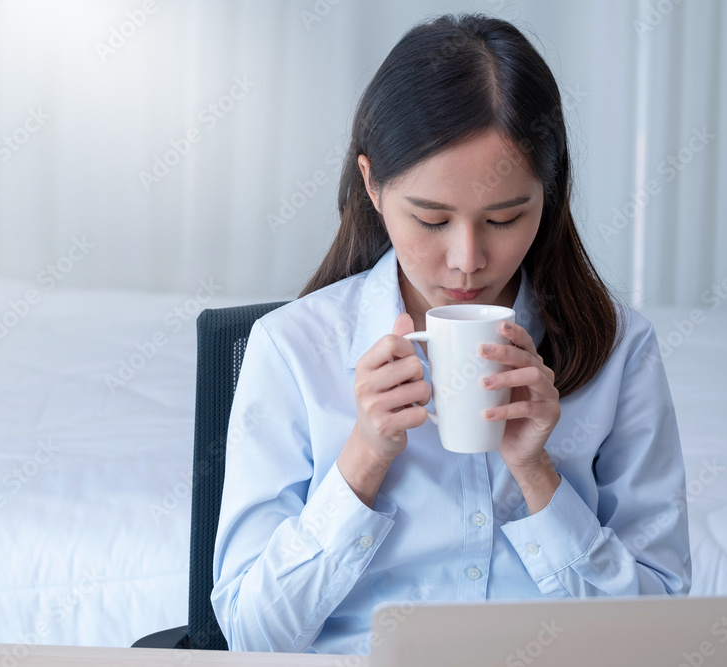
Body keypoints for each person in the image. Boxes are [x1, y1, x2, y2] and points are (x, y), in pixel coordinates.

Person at [210, 12, 691, 656]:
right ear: (373, 186)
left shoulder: (621, 351)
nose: (468, 260)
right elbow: (250, 636)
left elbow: (656, 641)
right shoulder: (293, 349)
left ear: (548, 196)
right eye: (432, 220)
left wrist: (537, 473)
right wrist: (363, 458)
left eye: (504, 217)